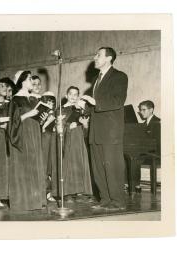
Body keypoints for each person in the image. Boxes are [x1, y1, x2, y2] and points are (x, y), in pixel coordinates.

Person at [79, 47, 128, 211]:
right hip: (96, 130)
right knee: (99, 167)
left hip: (110, 131)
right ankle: (105, 199)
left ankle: (118, 201)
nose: (94, 57)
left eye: (98, 55)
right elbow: (94, 106)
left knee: (112, 166)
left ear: (109, 58)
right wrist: (83, 107)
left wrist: (94, 102)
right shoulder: (96, 79)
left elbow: (117, 101)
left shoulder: (119, 76)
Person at [7, 70, 48, 211]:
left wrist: (42, 118)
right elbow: (13, 122)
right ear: (23, 81)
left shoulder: (34, 99)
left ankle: (37, 200)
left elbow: (36, 117)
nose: (33, 82)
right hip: (23, 135)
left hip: (34, 134)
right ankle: (24, 202)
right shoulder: (15, 100)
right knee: (24, 166)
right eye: (30, 79)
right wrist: (28, 115)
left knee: (35, 164)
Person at [56, 86, 93, 202]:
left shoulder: (81, 109)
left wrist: (85, 124)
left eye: (76, 94)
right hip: (67, 140)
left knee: (79, 163)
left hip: (79, 139)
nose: (73, 96)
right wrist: (68, 126)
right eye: (71, 94)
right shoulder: (60, 109)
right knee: (68, 164)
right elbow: (57, 129)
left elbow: (86, 129)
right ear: (66, 95)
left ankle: (80, 192)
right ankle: (67, 193)